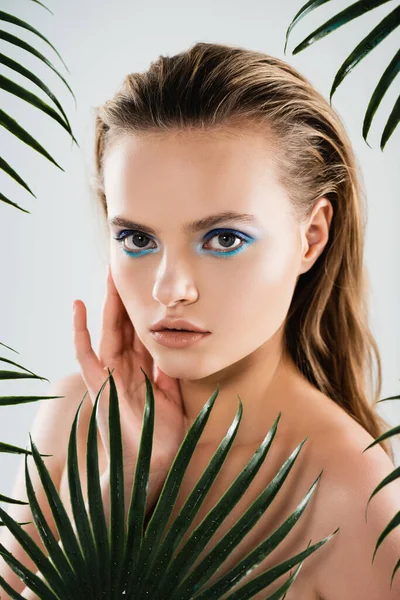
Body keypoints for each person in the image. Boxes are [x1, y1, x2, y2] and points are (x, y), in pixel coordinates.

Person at [1, 41, 400, 600]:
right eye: (137, 239)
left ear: (311, 236)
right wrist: (129, 483)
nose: (169, 289)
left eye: (224, 239)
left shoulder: (352, 500)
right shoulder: (73, 420)